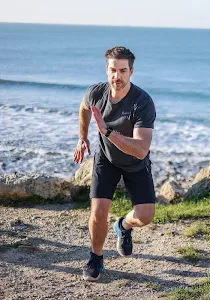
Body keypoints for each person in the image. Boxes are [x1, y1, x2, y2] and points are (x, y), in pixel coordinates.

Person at [73, 46, 157, 282]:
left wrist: (107, 131)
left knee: (145, 216)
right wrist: (83, 137)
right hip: (106, 159)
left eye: (122, 71)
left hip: (135, 163)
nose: (116, 77)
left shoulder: (142, 102)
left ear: (131, 71)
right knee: (98, 211)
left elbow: (141, 149)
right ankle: (96, 256)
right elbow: (83, 108)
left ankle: (123, 225)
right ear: (106, 69)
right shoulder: (96, 93)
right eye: (112, 70)